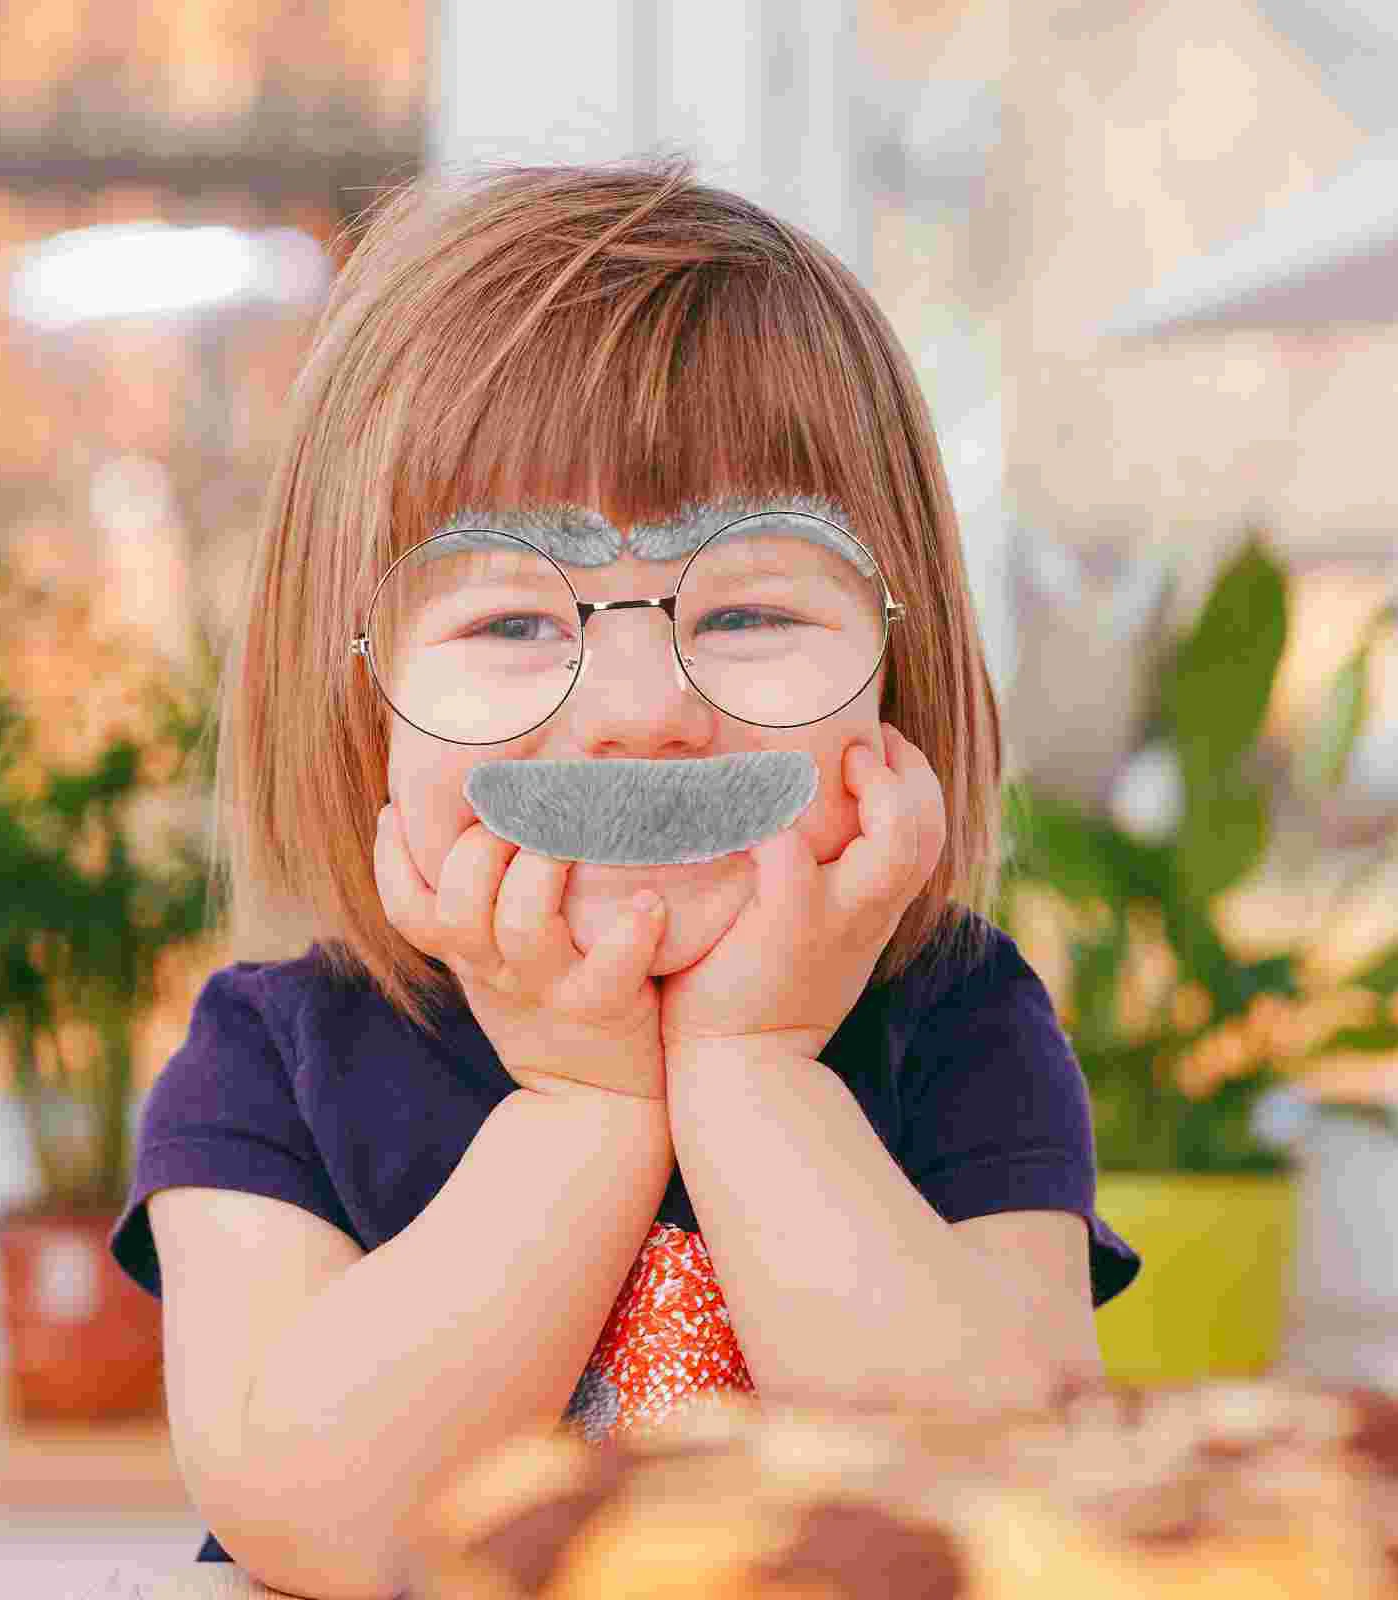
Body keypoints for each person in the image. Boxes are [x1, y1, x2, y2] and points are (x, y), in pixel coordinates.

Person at [108, 156, 1141, 1599]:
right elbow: (321, 1526)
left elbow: (1006, 1506)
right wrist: (586, 1107)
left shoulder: (959, 1019)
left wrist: (754, 1070)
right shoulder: (269, 1057)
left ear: (898, 684)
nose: (641, 710)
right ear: (360, 708)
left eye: (754, 608)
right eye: (517, 624)